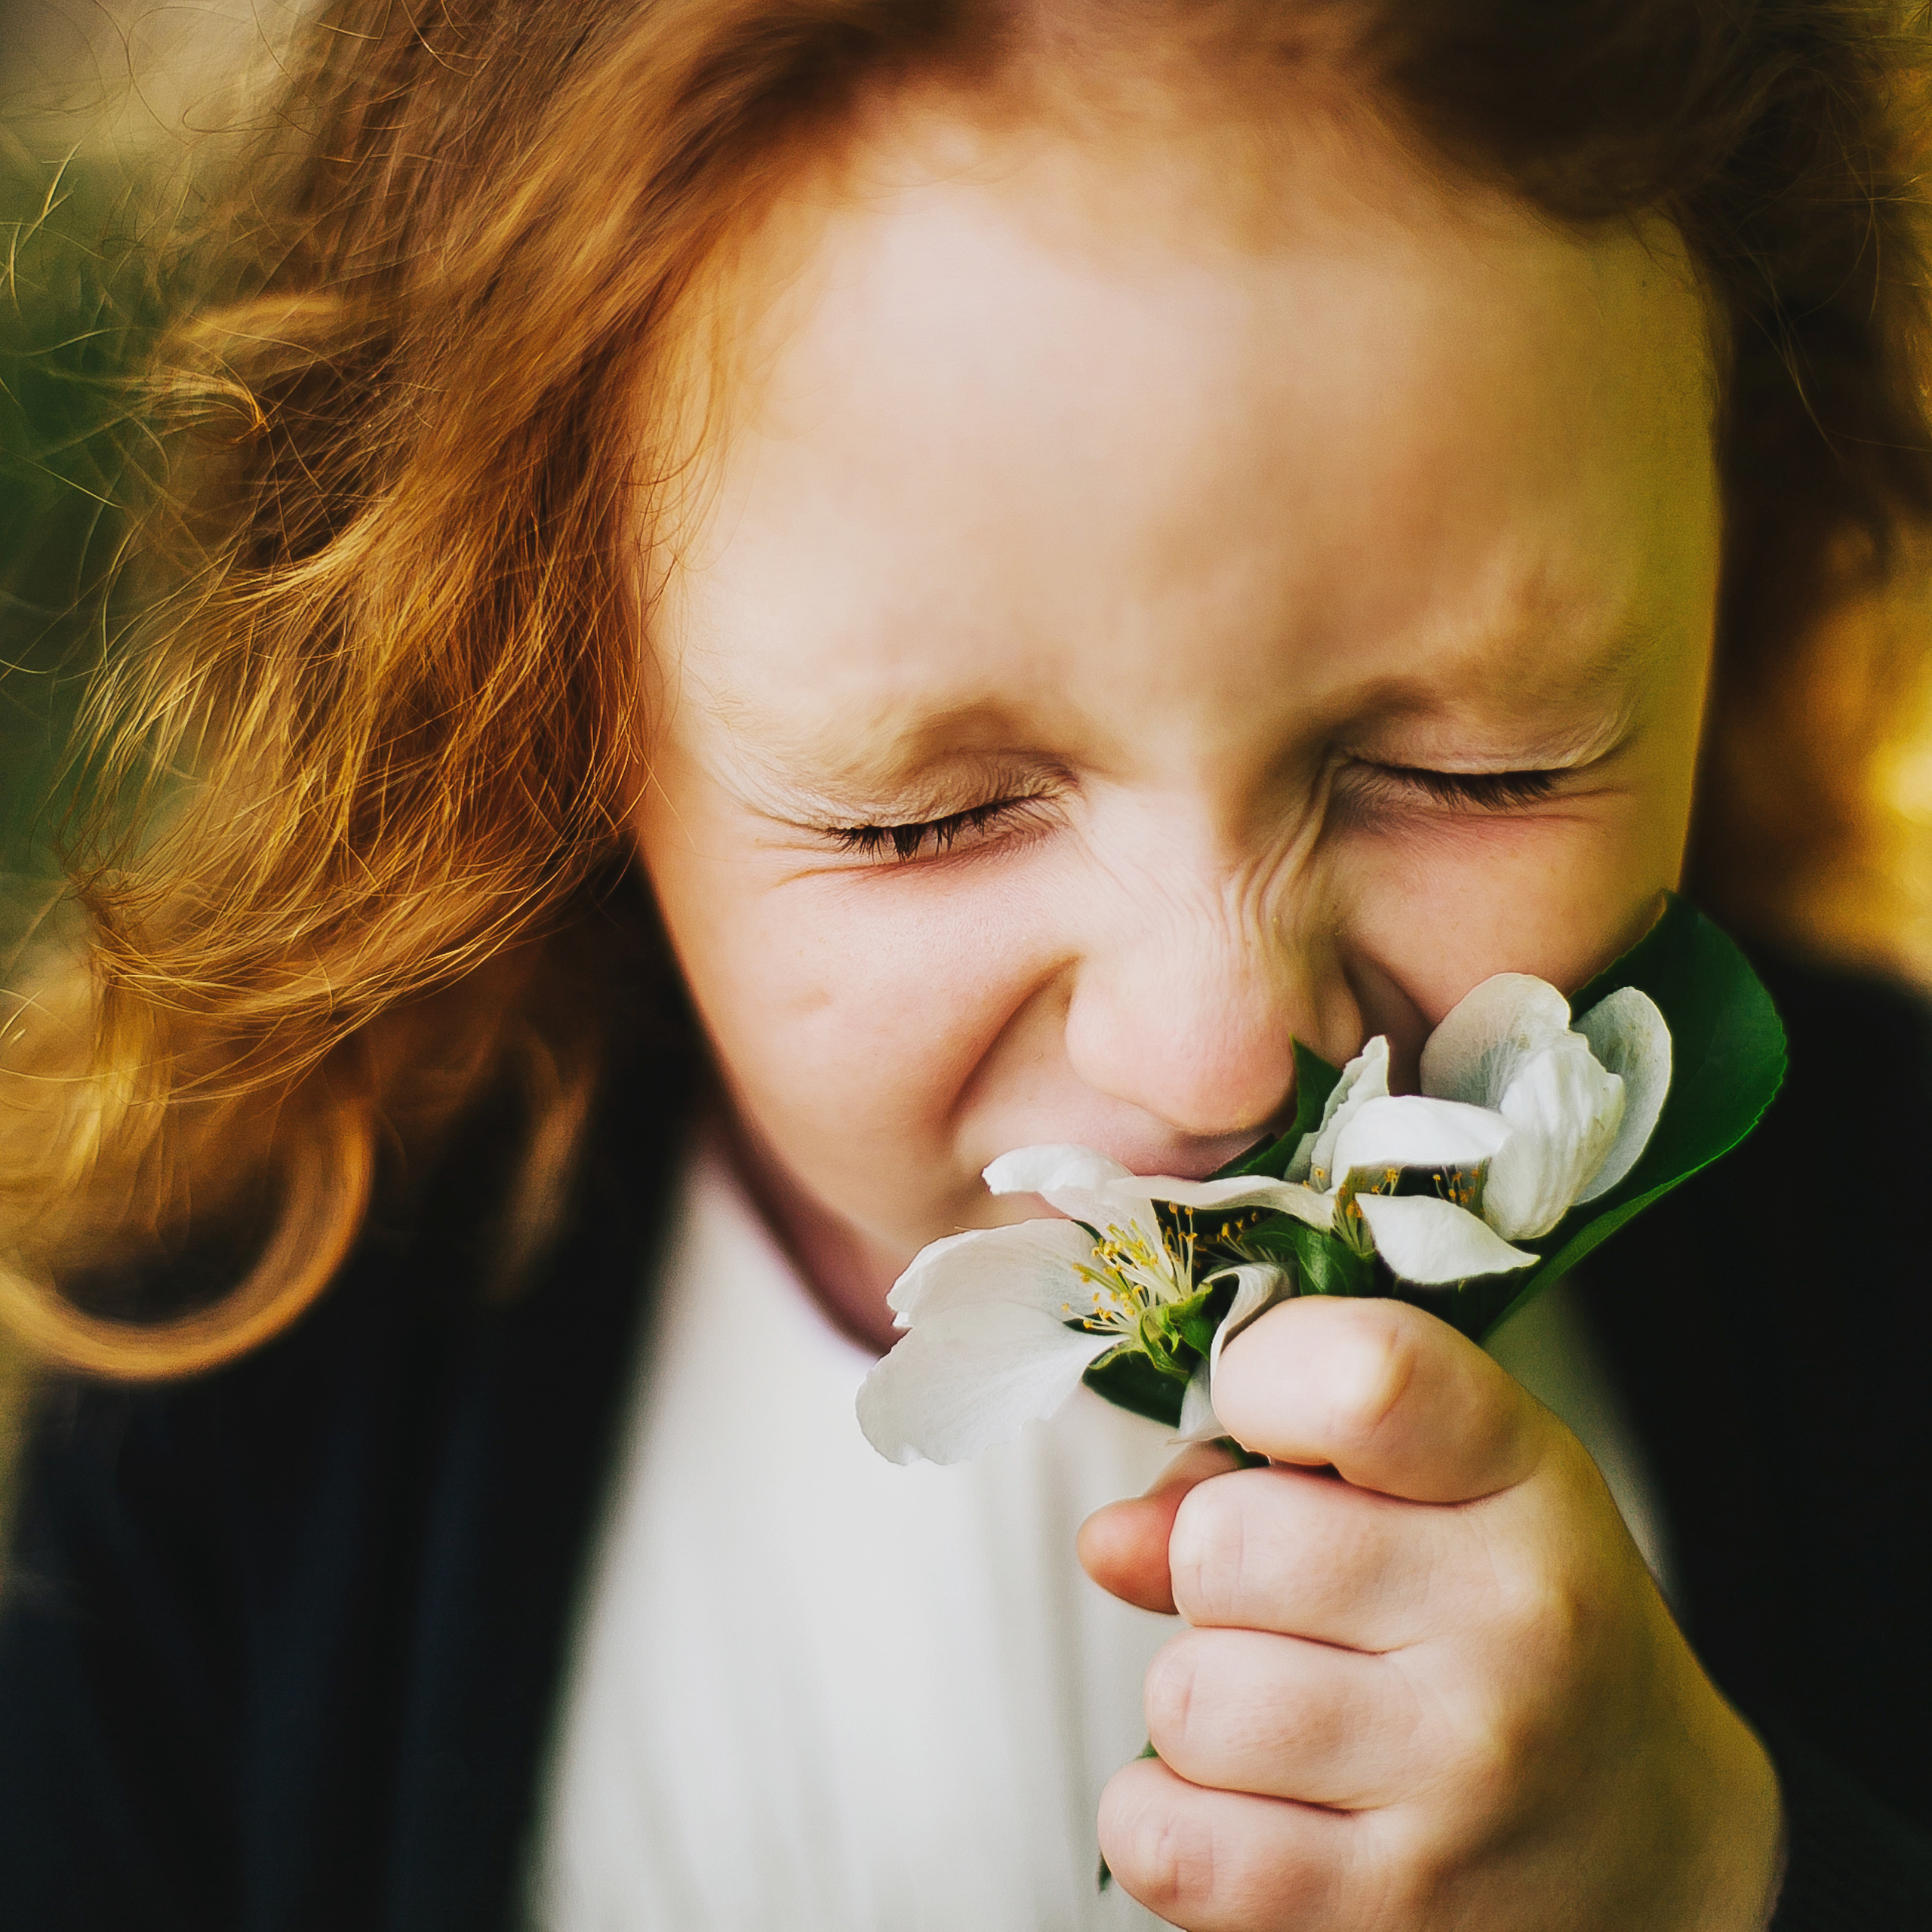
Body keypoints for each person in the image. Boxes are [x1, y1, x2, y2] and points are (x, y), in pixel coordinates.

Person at [2, 2, 1930, 1927]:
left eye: (1470, 768)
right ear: (538, 694)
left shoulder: (1881, 1267)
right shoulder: (197, 1428)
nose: (1211, 1055)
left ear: (1741, 499)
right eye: (918, 818)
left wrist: (1717, 1868)